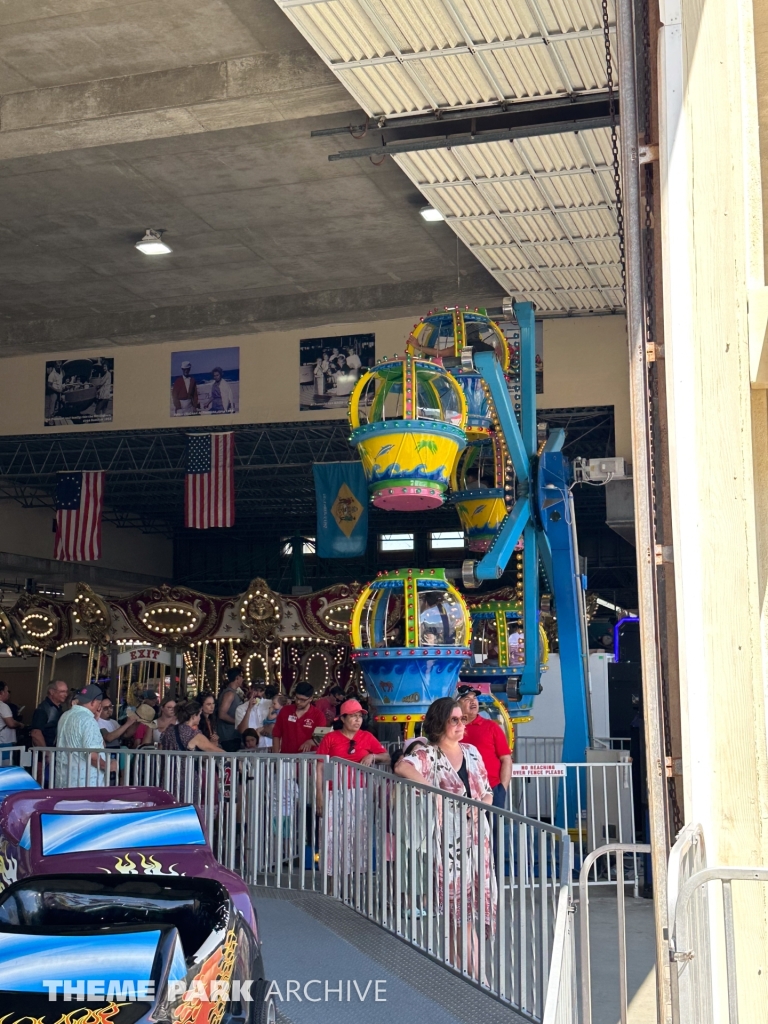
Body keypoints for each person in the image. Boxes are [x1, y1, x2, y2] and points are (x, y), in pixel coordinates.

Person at [394, 696, 495, 978]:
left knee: (463, 912)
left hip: (477, 838)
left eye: (463, 719)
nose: (461, 724)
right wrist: (433, 792)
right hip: (450, 843)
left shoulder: (472, 752)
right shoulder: (429, 755)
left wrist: (482, 806)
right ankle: (479, 977)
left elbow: (487, 790)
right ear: (440, 723)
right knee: (459, 911)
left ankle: (457, 970)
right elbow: (402, 766)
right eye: (454, 720)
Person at [315, 699, 389, 876]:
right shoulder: (330, 738)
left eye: (360, 716)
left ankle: (354, 877)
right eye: (353, 716)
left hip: (360, 793)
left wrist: (373, 757)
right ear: (343, 718)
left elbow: (386, 757)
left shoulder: (367, 737)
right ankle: (331, 877)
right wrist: (319, 795)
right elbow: (319, 767)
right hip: (334, 792)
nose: (357, 720)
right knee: (332, 835)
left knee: (358, 834)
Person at [457, 685, 512, 808]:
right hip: (461, 790)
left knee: (494, 827)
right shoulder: (452, 729)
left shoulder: (491, 727)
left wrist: (502, 789)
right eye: (466, 699)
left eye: (474, 698)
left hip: (492, 788)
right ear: (456, 705)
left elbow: (506, 759)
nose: (473, 701)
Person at [55, 684, 108, 787]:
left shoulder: (65, 715)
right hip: (85, 784)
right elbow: (92, 756)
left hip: (64, 781)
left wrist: (95, 720)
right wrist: (109, 766)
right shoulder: (88, 721)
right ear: (93, 702)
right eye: (99, 703)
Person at [272, 682, 325, 754]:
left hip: (308, 760)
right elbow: (276, 734)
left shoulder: (318, 715)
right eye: (297, 698)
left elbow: (322, 738)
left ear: (310, 699)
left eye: (303, 700)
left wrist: (311, 742)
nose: (298, 702)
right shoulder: (285, 711)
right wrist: (276, 757)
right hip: (286, 759)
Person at [30, 680, 69, 748]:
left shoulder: (58, 708)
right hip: (46, 753)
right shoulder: (42, 710)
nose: (66, 694)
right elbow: (36, 733)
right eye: (62, 691)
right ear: (52, 692)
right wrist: (46, 752)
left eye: (66, 691)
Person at [217, 668, 244, 752]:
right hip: (229, 736)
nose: (242, 679)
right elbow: (222, 714)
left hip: (233, 735)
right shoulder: (230, 694)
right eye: (241, 677)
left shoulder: (234, 693)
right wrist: (237, 722)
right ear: (237, 678)